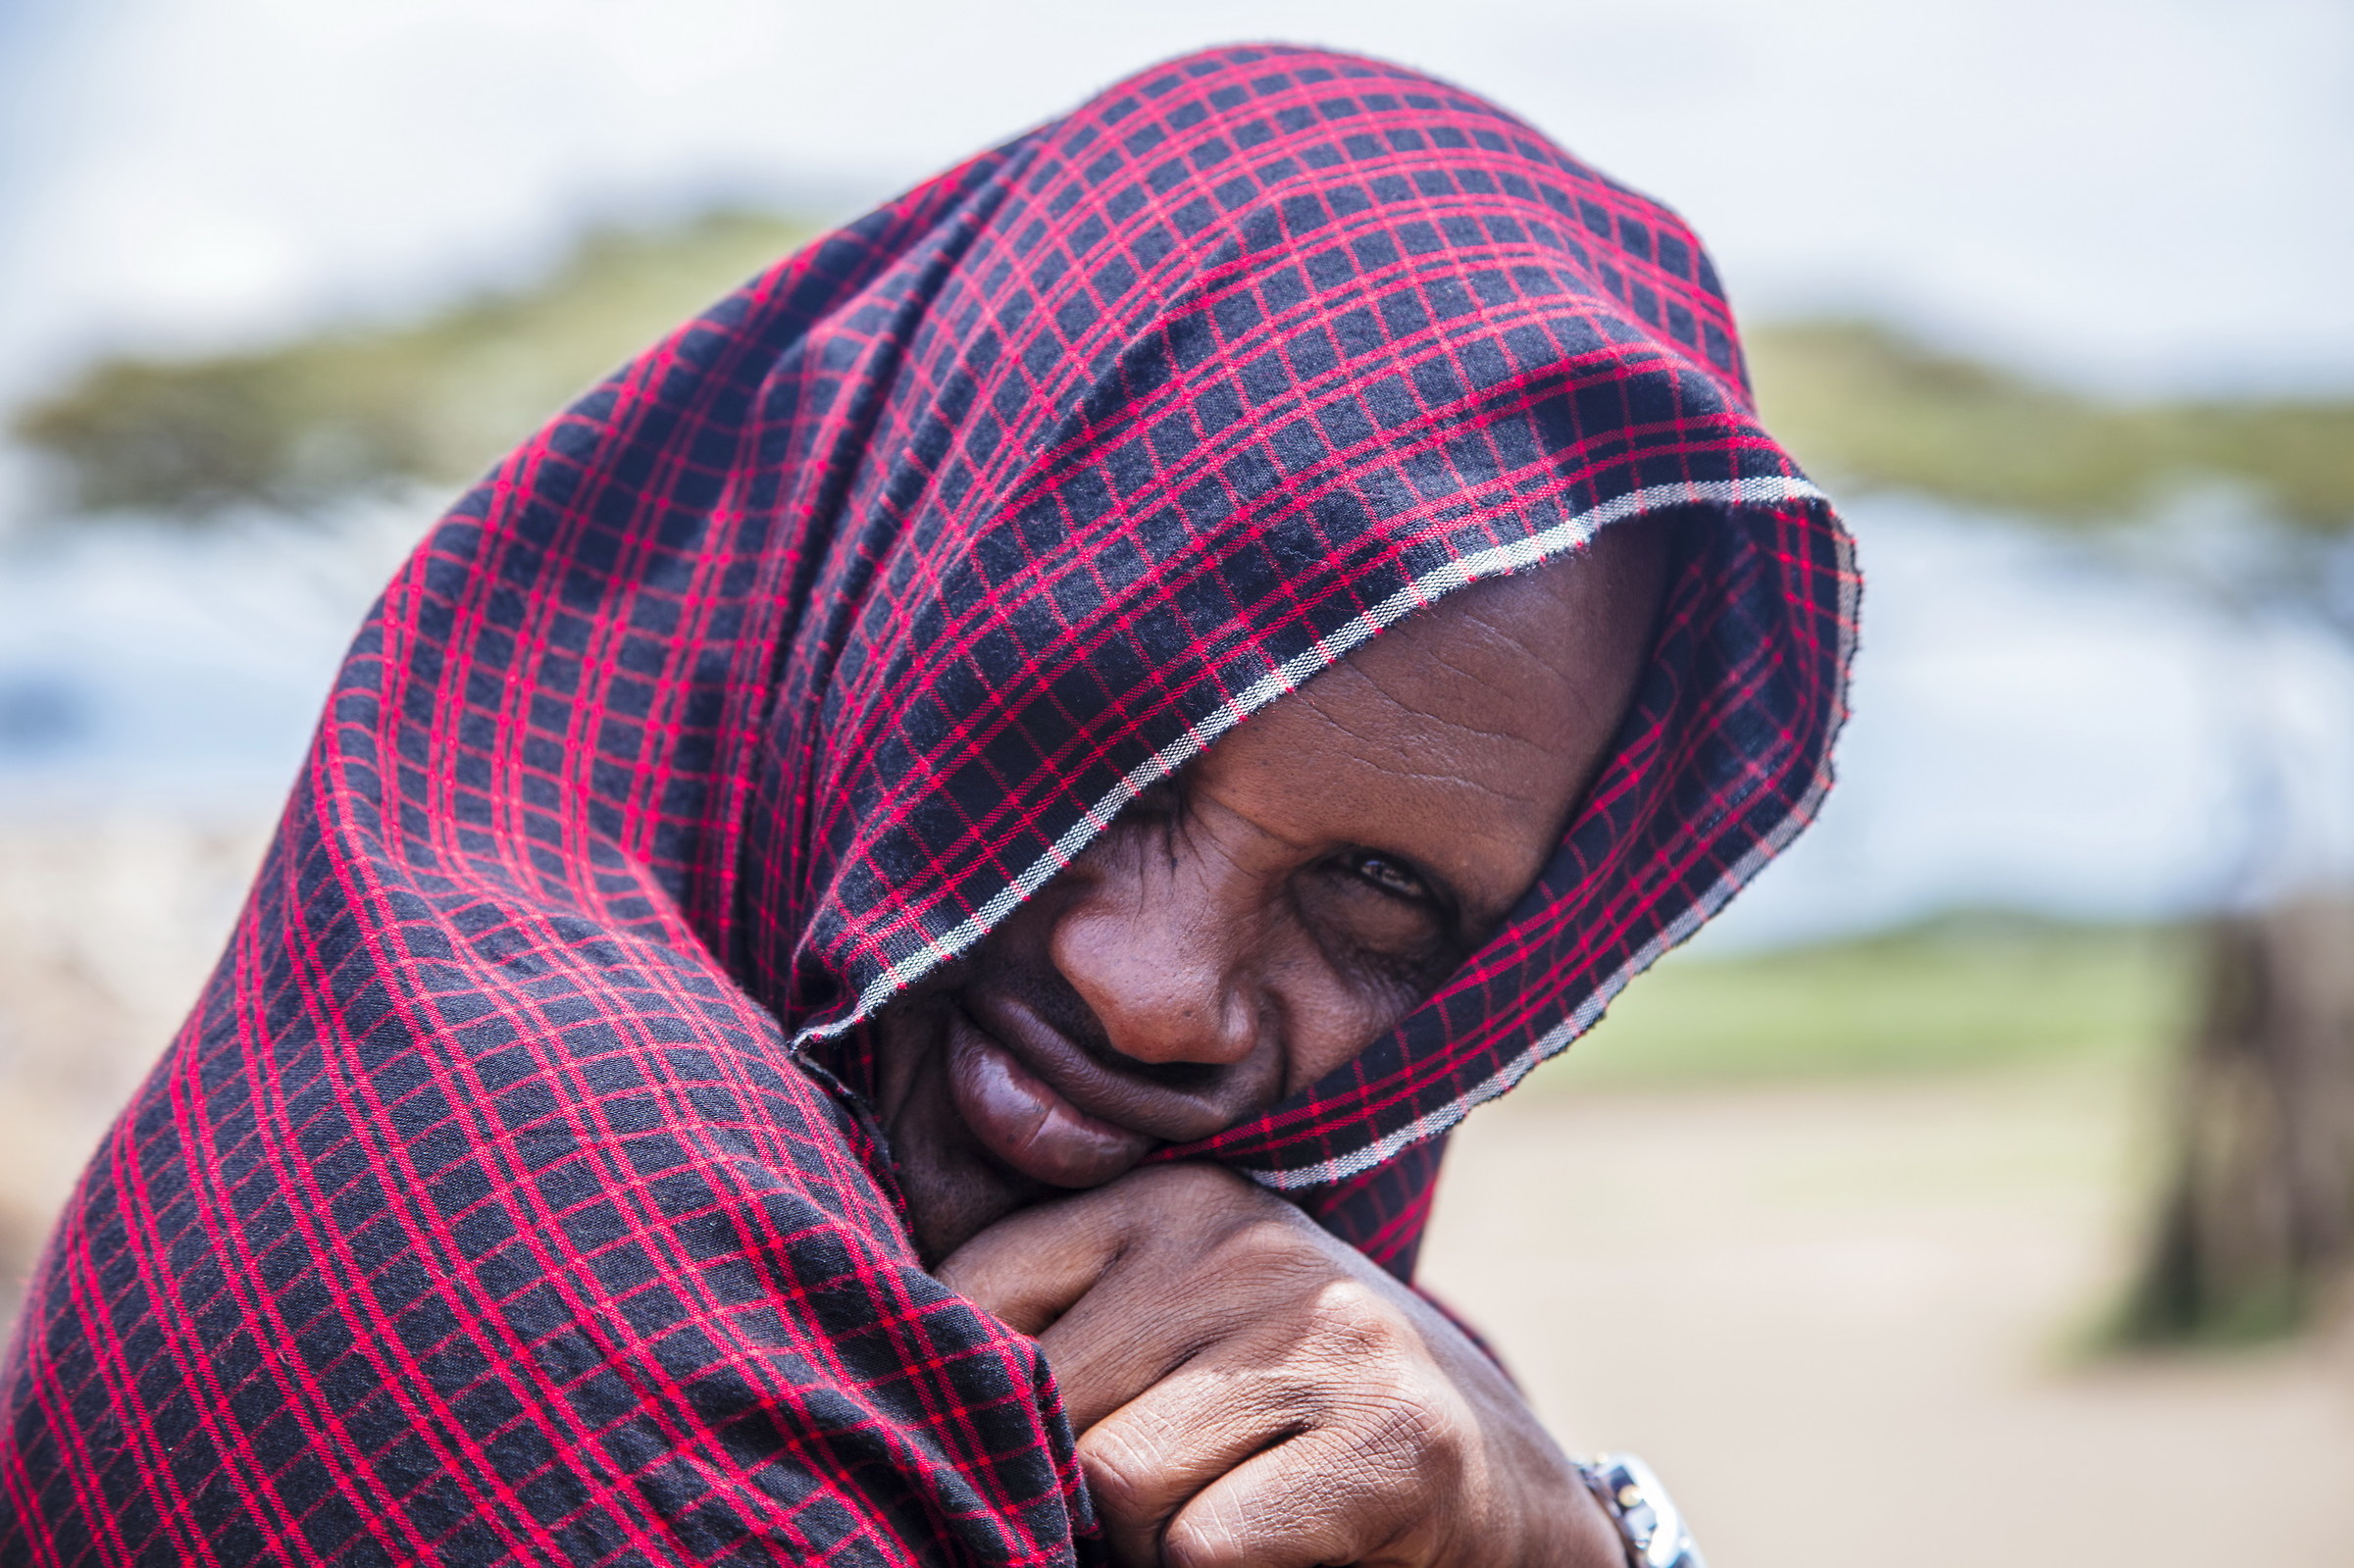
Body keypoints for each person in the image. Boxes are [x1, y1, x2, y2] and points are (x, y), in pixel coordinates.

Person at [0, 43, 1853, 1567]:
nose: (1155, 991)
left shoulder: (1288, 1355)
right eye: (1099, 749)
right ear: (897, 603)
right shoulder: (554, 1262)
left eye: (1376, 894)